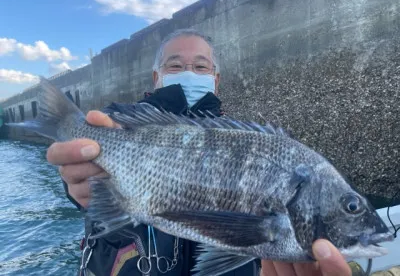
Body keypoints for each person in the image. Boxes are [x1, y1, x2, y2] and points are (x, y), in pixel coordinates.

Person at [47, 29, 352, 276]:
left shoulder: (248, 140)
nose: (189, 72)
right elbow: (86, 175)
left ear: (215, 80)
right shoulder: (119, 123)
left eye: (201, 66)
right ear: (157, 78)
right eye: (176, 65)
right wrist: (76, 183)